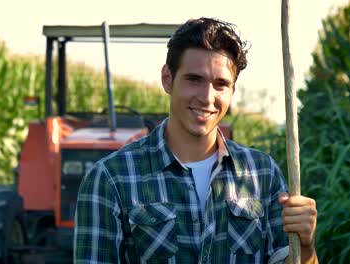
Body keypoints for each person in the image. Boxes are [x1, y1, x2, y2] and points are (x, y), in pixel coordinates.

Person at [74, 17, 318, 263]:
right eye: (194, 80)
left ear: (233, 91)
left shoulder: (262, 174)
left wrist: (306, 247)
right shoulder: (110, 178)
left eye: (221, 84)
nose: (207, 97)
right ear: (167, 78)